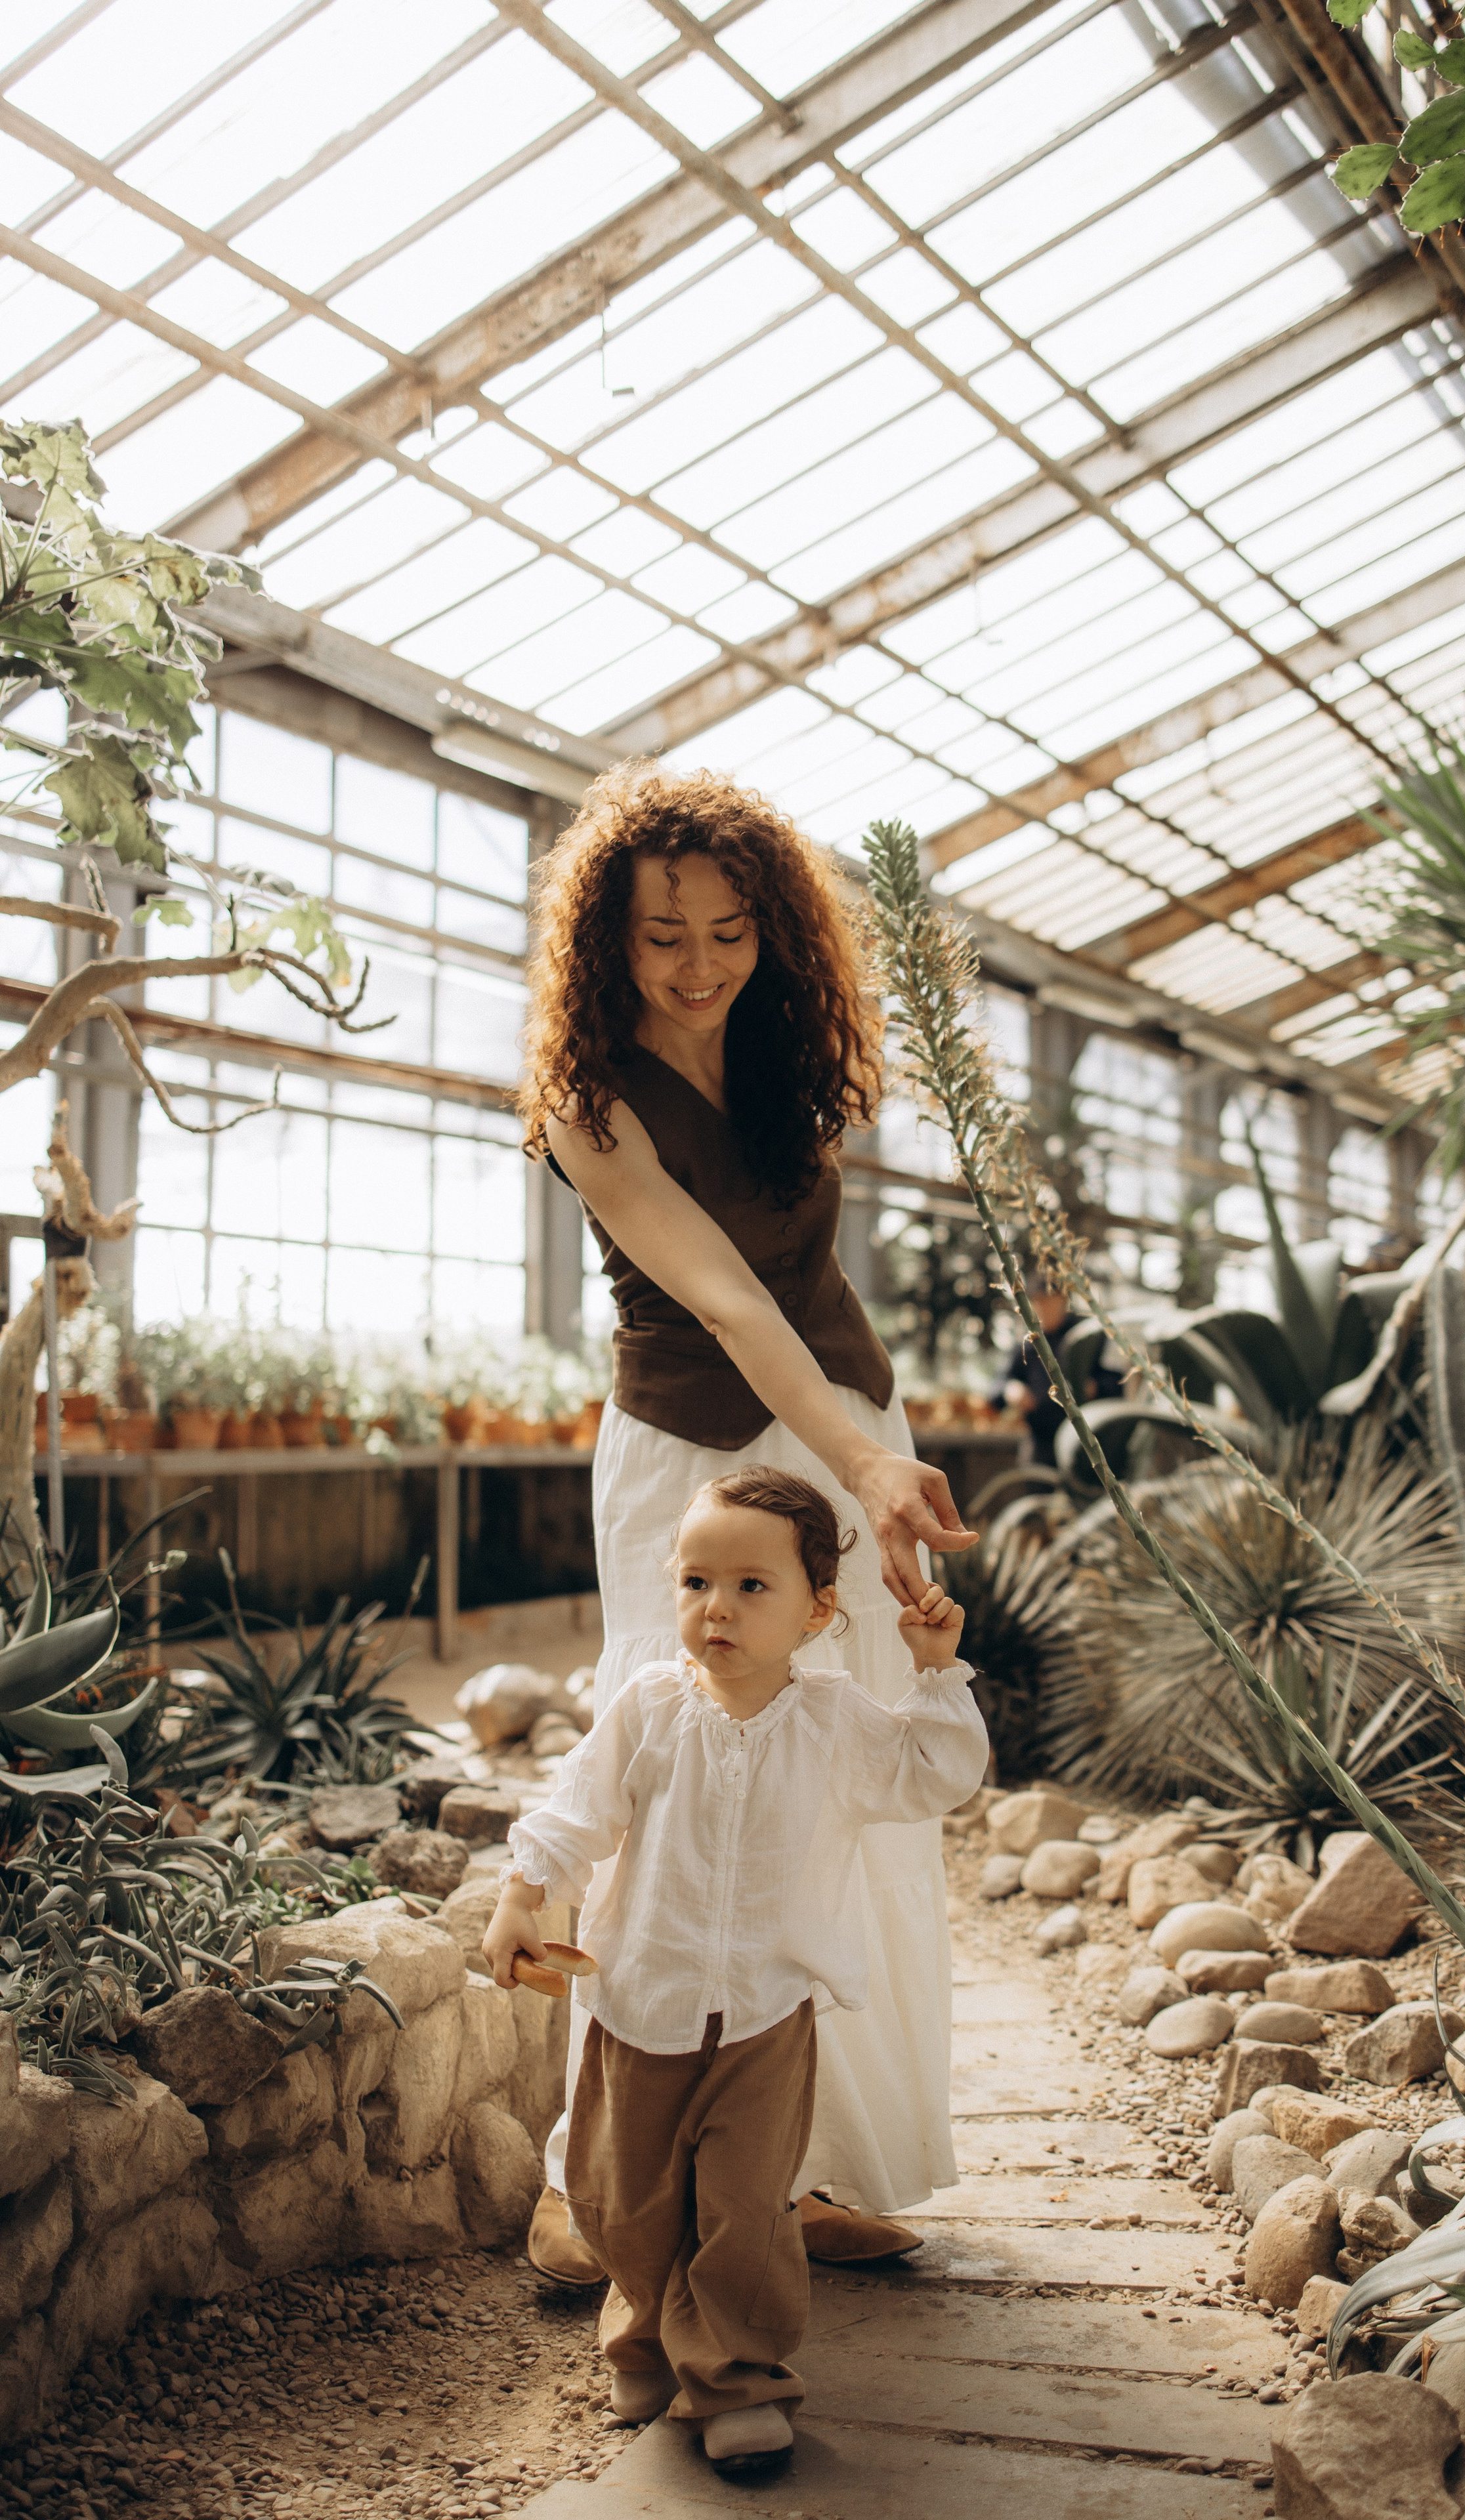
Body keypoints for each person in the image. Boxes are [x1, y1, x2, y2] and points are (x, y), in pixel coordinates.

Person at [515, 763, 979, 2280]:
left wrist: (867, 1461)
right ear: (611, 941)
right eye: (663, 936)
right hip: (688, 1462)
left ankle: (818, 2158)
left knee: (841, 1782)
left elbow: (806, 1287)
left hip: (852, 1435)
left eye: (727, 931)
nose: (699, 963)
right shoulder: (589, 1104)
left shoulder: (788, 1059)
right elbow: (720, 1295)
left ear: (768, 931)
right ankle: (597, 2183)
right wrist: (857, 1458)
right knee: (662, 1778)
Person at [483, 1468, 984, 2474]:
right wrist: (521, 1895)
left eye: (753, 1587)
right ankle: (642, 2336)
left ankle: (738, 2379)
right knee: (627, 2202)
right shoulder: (650, 1708)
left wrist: (935, 1672)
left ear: (817, 1612)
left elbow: (935, 1775)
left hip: (764, 2014)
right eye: (695, 1582)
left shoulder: (836, 1722)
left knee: (746, 2210)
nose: (717, 1607)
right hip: (639, 2006)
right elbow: (578, 1808)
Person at [991, 1272, 1118, 1466]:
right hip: (1041, 1440)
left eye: (1049, 1301)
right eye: (1038, 1302)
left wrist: (1095, 1388)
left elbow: (1118, 1382)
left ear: (1064, 1300)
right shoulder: (1028, 1343)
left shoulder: (1089, 1336)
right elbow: (997, 1387)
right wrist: (1010, 1390)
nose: (1043, 1308)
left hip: (1086, 1439)